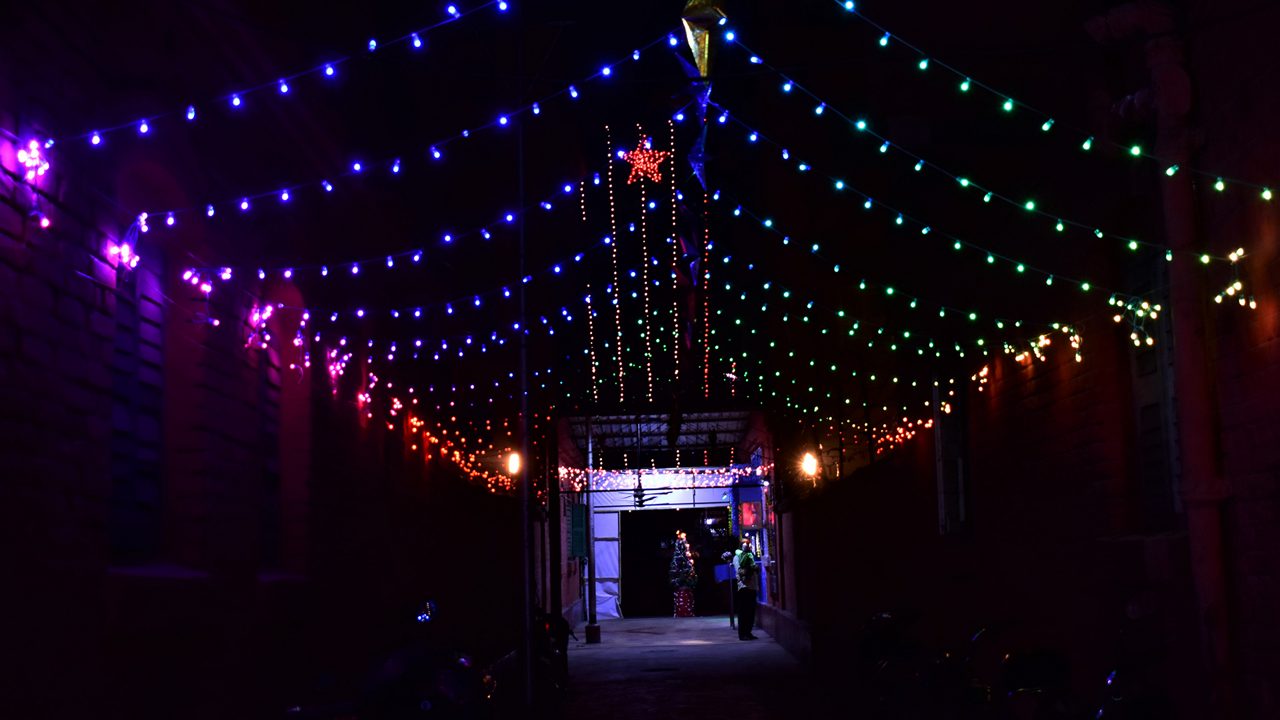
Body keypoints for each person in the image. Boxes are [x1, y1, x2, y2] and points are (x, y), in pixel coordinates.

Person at [733, 536, 759, 640]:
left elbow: (754, 567)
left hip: (752, 587)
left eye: (748, 544)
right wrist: (749, 569)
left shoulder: (750, 556)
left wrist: (755, 568)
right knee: (743, 611)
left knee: (751, 611)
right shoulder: (737, 557)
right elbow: (739, 571)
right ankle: (742, 634)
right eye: (745, 544)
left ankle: (748, 632)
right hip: (743, 587)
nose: (747, 546)